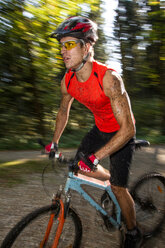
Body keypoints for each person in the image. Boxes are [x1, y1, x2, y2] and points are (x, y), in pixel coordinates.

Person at [48, 16, 142, 248]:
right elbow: (63, 111)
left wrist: (97, 156)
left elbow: (128, 129)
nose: (63, 50)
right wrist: (55, 143)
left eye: (69, 44)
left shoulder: (108, 78)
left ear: (86, 46)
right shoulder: (68, 81)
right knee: (78, 167)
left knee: (120, 188)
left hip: (122, 133)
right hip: (100, 129)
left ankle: (133, 232)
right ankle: (108, 186)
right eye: (61, 45)